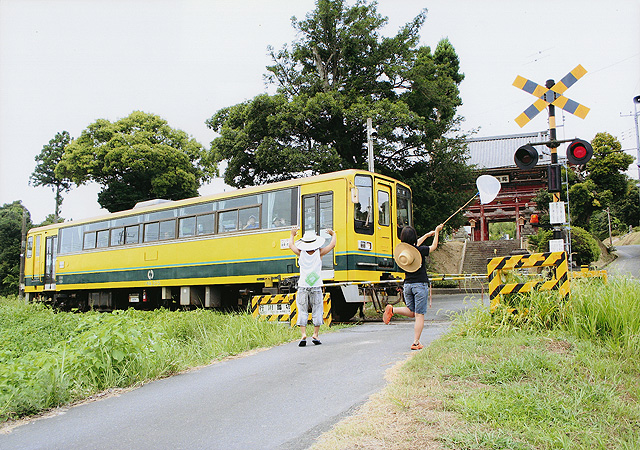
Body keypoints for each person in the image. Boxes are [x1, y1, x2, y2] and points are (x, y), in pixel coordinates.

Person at [384, 223, 444, 350]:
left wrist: (428, 234)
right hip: (420, 285)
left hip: (407, 285)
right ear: (414, 238)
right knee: (419, 315)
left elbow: (415, 244)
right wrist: (437, 232)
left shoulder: (403, 253)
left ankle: (392, 310)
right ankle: (416, 342)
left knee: (412, 312)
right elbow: (433, 246)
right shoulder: (419, 251)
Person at [288, 227, 337, 347]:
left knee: (302, 310)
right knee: (317, 310)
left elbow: (290, 245)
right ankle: (315, 334)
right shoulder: (319, 253)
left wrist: (292, 234)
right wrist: (333, 234)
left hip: (303, 286)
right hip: (316, 285)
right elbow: (332, 245)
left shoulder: (300, 253)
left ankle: (303, 334)